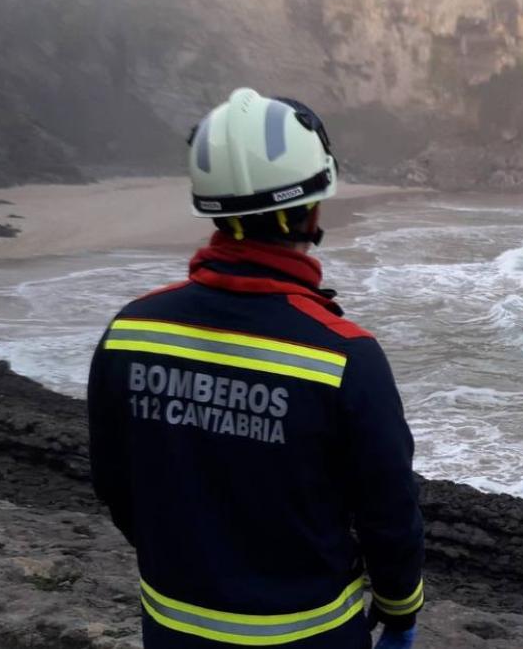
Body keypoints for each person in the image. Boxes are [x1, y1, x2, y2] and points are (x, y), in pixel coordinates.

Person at [87, 88, 424, 649]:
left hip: (173, 624)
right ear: (314, 205)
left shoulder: (130, 331)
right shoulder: (345, 356)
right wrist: (400, 611)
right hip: (310, 634)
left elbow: (116, 483)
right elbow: (389, 516)